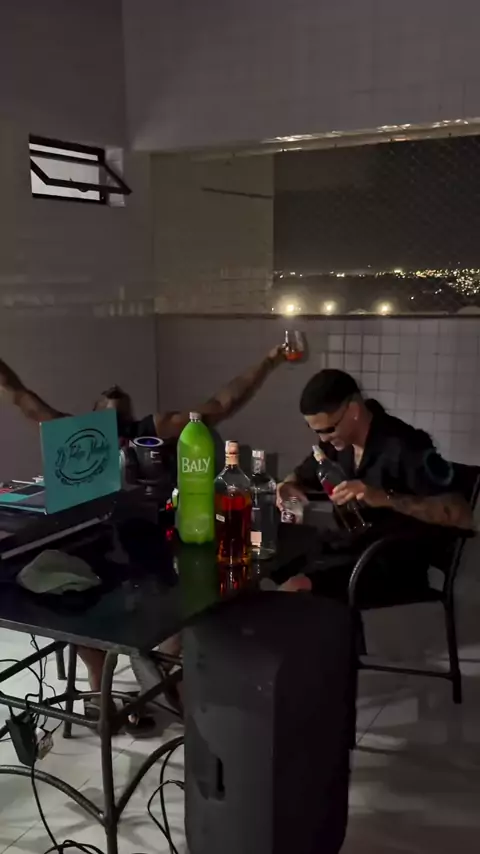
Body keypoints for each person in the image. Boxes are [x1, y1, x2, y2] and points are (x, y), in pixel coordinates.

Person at [0, 346, 288, 725]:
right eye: (106, 412)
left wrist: (268, 361)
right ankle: (101, 688)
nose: (114, 419)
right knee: (67, 599)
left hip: (156, 541)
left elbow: (221, 403)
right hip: (98, 545)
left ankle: (160, 664)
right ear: (92, 416)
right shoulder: (78, 436)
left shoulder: (154, 431)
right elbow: (22, 397)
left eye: (120, 415)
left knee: (202, 592)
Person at [276, 369, 473, 599]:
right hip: (346, 551)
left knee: (295, 589)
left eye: (328, 429)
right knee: (270, 569)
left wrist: (382, 497)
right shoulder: (336, 443)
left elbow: (461, 514)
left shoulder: (406, 446)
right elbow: (299, 476)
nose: (323, 439)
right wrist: (286, 486)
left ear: (353, 411)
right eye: (315, 431)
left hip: (387, 565)